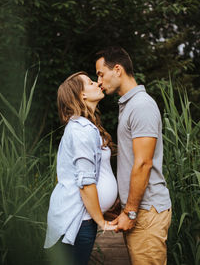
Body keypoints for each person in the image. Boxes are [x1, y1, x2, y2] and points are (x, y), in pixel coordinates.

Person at [95, 46, 172, 265]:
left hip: (146, 211)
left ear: (117, 69)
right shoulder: (129, 105)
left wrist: (130, 212)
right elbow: (131, 161)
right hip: (139, 209)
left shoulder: (141, 105)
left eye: (101, 73)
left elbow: (144, 163)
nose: (99, 81)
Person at [44, 71, 118, 265]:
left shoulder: (86, 126)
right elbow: (85, 183)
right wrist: (102, 222)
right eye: (91, 82)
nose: (97, 83)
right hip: (77, 222)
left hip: (84, 218)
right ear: (81, 95)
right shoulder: (81, 130)